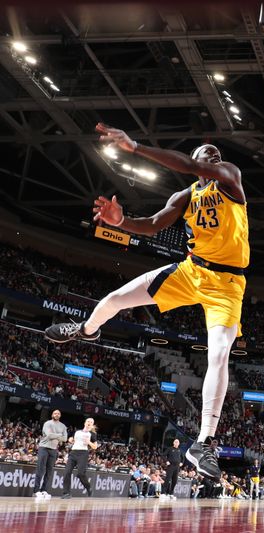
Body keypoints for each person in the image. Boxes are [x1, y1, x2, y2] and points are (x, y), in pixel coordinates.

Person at [44, 124, 249, 481]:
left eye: (215, 154)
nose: (213, 155)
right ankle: (87, 329)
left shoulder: (230, 178)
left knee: (218, 354)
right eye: (206, 153)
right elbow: (153, 224)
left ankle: (203, 442)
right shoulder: (186, 197)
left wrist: (135, 146)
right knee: (117, 298)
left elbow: (189, 166)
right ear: (196, 159)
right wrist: (121, 221)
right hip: (191, 270)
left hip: (227, 284)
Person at [33, 409, 67, 499]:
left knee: (49, 471)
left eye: (58, 413)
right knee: (40, 469)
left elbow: (65, 439)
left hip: (53, 450)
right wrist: (59, 435)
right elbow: (49, 435)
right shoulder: (47, 423)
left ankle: (44, 490)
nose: (56, 414)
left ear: (60, 415)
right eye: (55, 413)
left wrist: (55, 435)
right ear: (52, 415)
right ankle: (36, 491)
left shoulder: (63, 426)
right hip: (44, 447)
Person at [62, 418, 99, 499]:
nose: (89, 423)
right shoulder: (77, 432)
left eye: (91, 422)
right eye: (88, 421)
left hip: (83, 453)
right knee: (67, 473)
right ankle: (66, 493)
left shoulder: (92, 434)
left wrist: (89, 442)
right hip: (73, 453)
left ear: (92, 425)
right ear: (85, 423)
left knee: (80, 474)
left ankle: (88, 487)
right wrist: (70, 439)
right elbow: (71, 439)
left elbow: (95, 447)